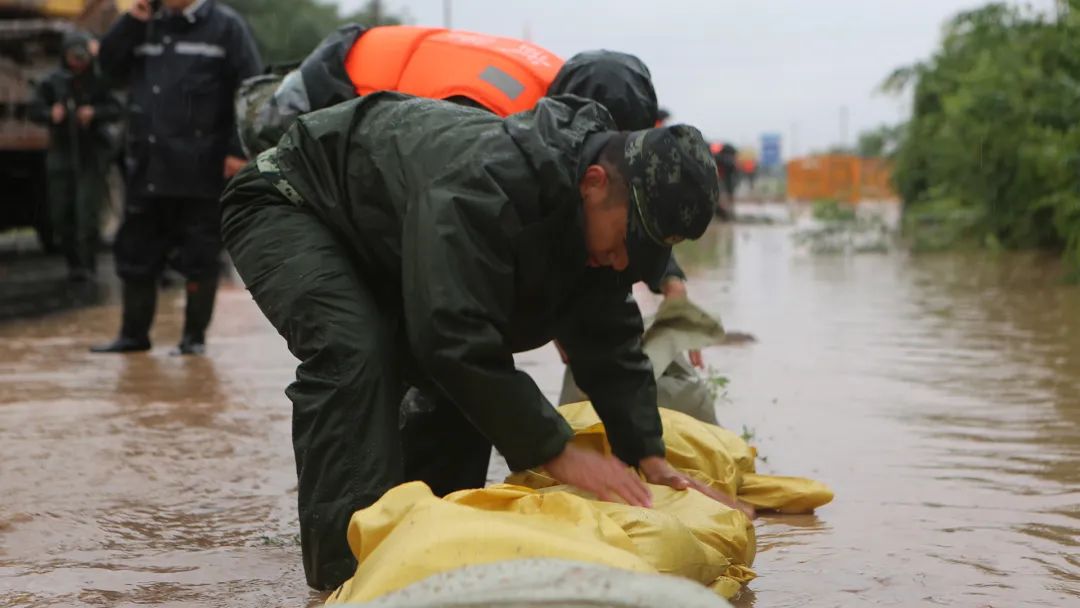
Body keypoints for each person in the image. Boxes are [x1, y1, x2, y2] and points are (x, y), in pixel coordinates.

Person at [221, 92, 730, 590]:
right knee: (356, 353)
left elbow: (607, 334)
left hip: (387, 241)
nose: (622, 262)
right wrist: (554, 449)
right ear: (594, 183)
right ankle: (345, 575)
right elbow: (451, 335)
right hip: (292, 201)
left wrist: (647, 452)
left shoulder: (587, 219)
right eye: (624, 242)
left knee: (459, 392)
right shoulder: (484, 183)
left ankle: (427, 546)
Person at [90, 0, 261, 355]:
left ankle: (193, 341)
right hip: (147, 164)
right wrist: (130, 23)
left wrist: (237, 149)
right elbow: (106, 68)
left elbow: (251, 91)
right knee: (136, 253)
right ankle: (133, 336)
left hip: (202, 167)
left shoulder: (225, 27)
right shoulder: (144, 23)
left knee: (200, 256)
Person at [29, 31, 122, 281]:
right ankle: (72, 263)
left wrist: (95, 113)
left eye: (82, 57)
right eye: (74, 57)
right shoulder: (52, 82)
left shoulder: (99, 81)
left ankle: (86, 264)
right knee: (61, 212)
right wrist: (51, 114)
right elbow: (34, 109)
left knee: (87, 213)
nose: (78, 63)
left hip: (91, 153)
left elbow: (117, 108)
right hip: (61, 153)